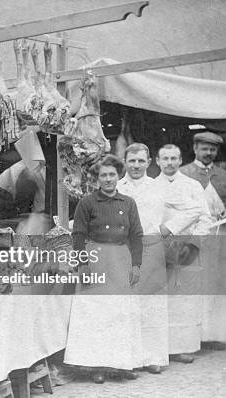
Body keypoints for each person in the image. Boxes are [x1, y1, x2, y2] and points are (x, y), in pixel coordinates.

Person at [65, 154, 143, 383]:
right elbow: (77, 234)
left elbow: (136, 235)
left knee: (119, 313)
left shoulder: (128, 203)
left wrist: (136, 264)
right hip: (95, 257)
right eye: (103, 175)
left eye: (112, 174)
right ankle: (96, 365)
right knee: (96, 313)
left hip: (120, 258)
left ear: (119, 176)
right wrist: (83, 264)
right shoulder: (87, 202)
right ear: (96, 178)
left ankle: (120, 365)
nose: (108, 179)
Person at [153, 144, 212, 363]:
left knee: (184, 300)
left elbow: (205, 217)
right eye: (165, 158)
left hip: (187, 248)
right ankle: (159, 348)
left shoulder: (193, 185)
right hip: (158, 247)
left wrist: (194, 243)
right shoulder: (150, 185)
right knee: (160, 299)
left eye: (174, 158)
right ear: (157, 161)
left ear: (180, 160)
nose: (169, 162)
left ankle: (182, 346)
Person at [117, 143, 169, 374]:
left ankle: (154, 357)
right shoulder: (116, 187)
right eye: (132, 161)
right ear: (125, 162)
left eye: (140, 161)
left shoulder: (161, 187)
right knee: (126, 304)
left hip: (151, 247)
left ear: (149, 163)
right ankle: (128, 360)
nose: (136, 165)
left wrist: (168, 229)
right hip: (124, 249)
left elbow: (187, 211)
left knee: (152, 303)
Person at [180, 132, 226, 351]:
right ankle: (193, 335)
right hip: (194, 238)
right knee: (194, 284)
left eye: (213, 149)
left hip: (220, 239)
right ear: (195, 148)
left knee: (217, 285)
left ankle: (216, 334)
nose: (209, 153)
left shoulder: (223, 175)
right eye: (205, 148)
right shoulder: (183, 174)